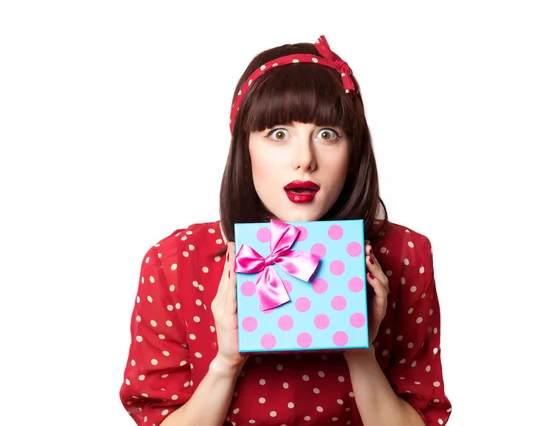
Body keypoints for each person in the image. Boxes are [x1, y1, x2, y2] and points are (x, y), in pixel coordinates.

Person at [119, 35, 452, 426]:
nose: (305, 160)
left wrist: (361, 347)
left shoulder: (404, 255)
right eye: (278, 134)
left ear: (354, 150)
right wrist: (226, 362)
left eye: (328, 134)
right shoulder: (175, 263)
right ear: (245, 147)